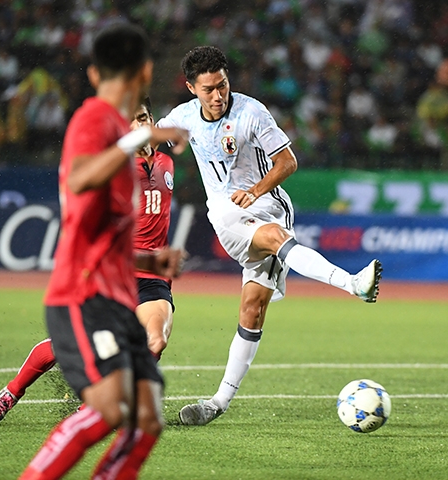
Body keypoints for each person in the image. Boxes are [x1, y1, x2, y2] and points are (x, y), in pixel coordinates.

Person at [155, 46, 381, 426]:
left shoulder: (251, 112)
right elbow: (152, 137)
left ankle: (218, 403)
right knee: (273, 237)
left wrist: (257, 190)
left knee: (253, 310)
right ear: (192, 88)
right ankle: (353, 283)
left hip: (269, 206)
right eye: (208, 89)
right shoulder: (182, 117)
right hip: (228, 212)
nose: (218, 95)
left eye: (222, 85)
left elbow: (288, 161)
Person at [17, 24, 187, 480]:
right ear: (148, 71)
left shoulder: (126, 141)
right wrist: (137, 139)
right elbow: (77, 178)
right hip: (84, 292)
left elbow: (106, 232)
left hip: (119, 287)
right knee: (111, 408)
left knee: (147, 416)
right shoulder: (96, 122)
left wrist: (151, 261)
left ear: (93, 72)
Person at [0, 98, 176, 426]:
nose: (137, 125)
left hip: (150, 280)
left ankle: (94, 408)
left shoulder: (165, 160)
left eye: (143, 118)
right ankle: (11, 393)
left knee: (154, 341)